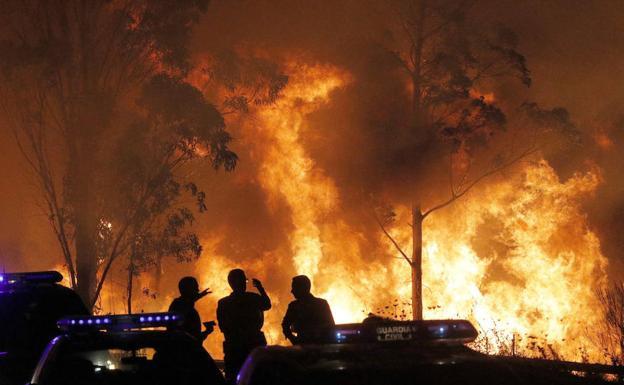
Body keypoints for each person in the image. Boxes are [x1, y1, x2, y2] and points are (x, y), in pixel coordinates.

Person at [217, 269, 271, 384]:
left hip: (233, 347)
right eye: (244, 281)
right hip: (254, 345)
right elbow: (267, 304)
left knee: (233, 377)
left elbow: (222, 326)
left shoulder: (223, 303)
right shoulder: (253, 298)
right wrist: (260, 288)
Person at [282, 275, 335, 345]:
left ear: (302, 288)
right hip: (320, 346)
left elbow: (285, 325)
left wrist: (294, 340)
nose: (292, 291)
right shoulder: (322, 304)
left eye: (294, 287)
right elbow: (331, 326)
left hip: (308, 345)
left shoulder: (294, 306)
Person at [168, 276, 214, 342]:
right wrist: (207, 331)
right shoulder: (185, 309)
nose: (198, 290)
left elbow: (194, 338)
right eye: (195, 288)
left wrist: (207, 331)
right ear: (188, 289)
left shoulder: (177, 305)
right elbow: (194, 340)